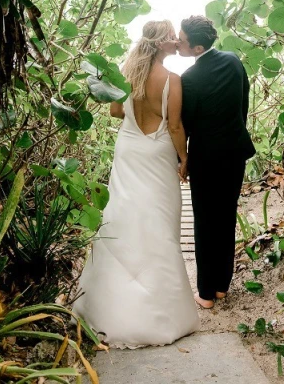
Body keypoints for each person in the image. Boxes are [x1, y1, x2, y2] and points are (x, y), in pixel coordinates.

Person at [74, 20, 199, 348]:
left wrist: (135, 112)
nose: (175, 41)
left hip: (129, 149)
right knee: (158, 220)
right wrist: (184, 159)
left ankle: (108, 305)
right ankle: (158, 311)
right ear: (160, 44)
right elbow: (174, 126)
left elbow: (116, 111)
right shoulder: (172, 80)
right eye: (171, 36)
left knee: (123, 213)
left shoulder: (126, 75)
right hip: (157, 153)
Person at [178, 15, 255, 310]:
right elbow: (243, 103)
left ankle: (206, 293)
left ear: (197, 48)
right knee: (225, 217)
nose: (179, 43)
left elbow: (186, 124)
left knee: (205, 222)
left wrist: (181, 159)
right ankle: (222, 285)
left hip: (206, 158)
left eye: (182, 41)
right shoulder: (234, 60)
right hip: (235, 152)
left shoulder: (190, 78)